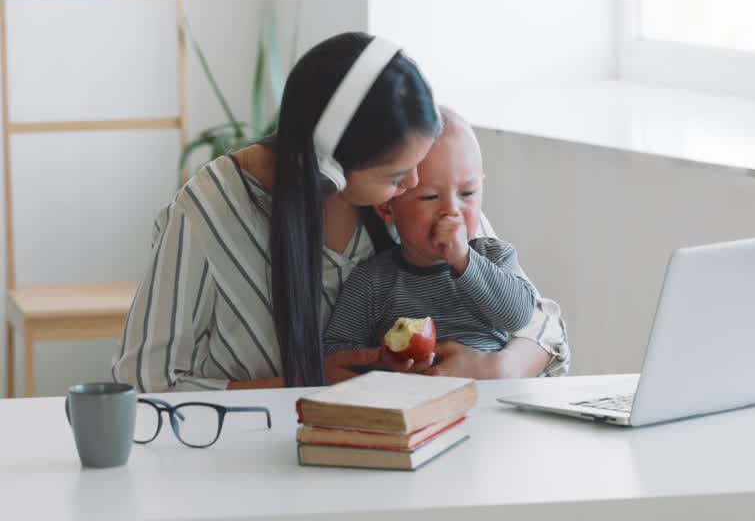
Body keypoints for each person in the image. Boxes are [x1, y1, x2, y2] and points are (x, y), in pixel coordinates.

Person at [110, 33, 569, 393]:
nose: (413, 185)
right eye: (396, 176)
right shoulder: (208, 211)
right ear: (327, 168)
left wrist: (498, 368)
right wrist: (307, 383)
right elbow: (145, 382)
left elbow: (542, 325)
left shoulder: (422, 197)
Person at [324, 107, 539, 368]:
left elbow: (519, 317)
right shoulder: (372, 280)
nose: (451, 210)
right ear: (387, 207)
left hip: (486, 388)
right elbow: (335, 350)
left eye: (468, 193)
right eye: (430, 197)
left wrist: (465, 261)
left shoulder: (493, 256)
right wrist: (380, 361)